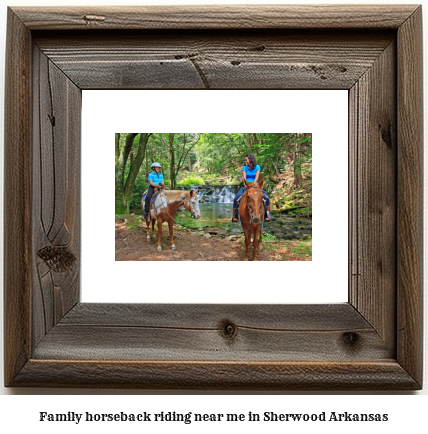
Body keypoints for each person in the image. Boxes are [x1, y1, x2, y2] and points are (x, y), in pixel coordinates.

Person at [232, 154, 272, 222]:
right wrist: (245, 184)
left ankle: (267, 214)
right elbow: (244, 177)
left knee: (266, 198)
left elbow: (257, 177)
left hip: (255, 185)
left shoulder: (257, 167)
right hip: (247, 185)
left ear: (250, 160)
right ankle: (235, 215)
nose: (245, 161)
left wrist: (253, 184)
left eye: (246, 160)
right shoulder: (244, 168)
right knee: (236, 198)